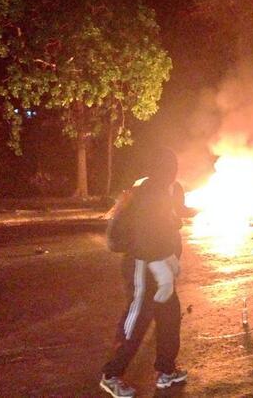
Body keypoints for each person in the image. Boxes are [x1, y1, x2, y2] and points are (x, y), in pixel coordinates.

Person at [100, 147, 189, 398]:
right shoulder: (147, 192)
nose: (174, 172)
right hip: (142, 265)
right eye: (171, 167)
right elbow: (144, 235)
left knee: (170, 316)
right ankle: (111, 374)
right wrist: (160, 260)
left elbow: (167, 222)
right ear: (165, 168)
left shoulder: (166, 189)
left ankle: (166, 370)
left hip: (161, 265)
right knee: (137, 318)